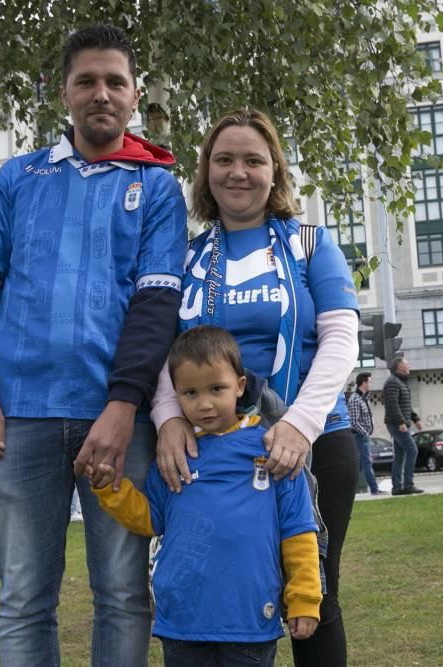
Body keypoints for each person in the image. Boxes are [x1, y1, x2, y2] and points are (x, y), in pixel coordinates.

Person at [0, 25, 188, 666]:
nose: (101, 94)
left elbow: (156, 303)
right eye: (87, 81)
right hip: (15, 418)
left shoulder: (159, 187)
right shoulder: (16, 179)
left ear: (136, 96)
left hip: (118, 421)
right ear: (64, 93)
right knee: (24, 597)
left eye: (115, 82)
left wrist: (123, 403)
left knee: (124, 593)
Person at [150, 109, 359, 666]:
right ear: (205, 172)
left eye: (252, 160)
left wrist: (297, 424)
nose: (237, 172)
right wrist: (169, 418)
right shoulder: (186, 258)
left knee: (313, 596)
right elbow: (159, 351)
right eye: (223, 160)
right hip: (215, 453)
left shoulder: (310, 243)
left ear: (275, 172)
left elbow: (341, 340)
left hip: (314, 441)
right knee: (221, 590)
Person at [93, 326, 321, 666]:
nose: (204, 403)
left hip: (250, 621)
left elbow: (298, 531)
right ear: (175, 394)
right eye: (190, 393)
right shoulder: (174, 453)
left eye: (217, 389)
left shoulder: (273, 449)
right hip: (183, 623)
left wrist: (304, 598)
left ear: (240, 385)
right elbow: (150, 519)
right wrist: (110, 488)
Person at [383, 357, 425, 496]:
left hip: (401, 423)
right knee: (412, 450)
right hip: (396, 424)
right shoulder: (393, 383)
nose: (409, 366)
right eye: (407, 364)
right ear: (399, 366)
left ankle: (397, 488)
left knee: (399, 456)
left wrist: (416, 419)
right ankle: (408, 485)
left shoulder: (400, 382)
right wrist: (401, 422)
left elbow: (405, 405)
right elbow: (392, 404)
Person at [347, 372, 384, 496]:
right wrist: (365, 434)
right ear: (363, 383)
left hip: (364, 435)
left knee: (361, 464)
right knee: (366, 463)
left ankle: (351, 491)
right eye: (370, 381)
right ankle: (374, 489)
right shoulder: (355, 399)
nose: (371, 383)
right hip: (360, 436)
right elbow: (353, 421)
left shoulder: (365, 398)